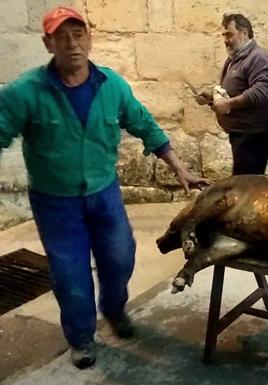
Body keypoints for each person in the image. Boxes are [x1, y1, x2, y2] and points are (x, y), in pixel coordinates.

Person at [0, 6, 206, 369]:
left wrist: (181, 169)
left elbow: (145, 125)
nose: (72, 43)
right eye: (62, 36)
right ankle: (80, 337)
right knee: (71, 274)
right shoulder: (25, 92)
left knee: (121, 256)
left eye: (78, 34)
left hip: (104, 193)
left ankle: (114, 310)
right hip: (55, 202)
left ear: (90, 38)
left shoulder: (113, 86)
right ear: (48, 43)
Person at [194, 13, 268, 175]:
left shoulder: (258, 58)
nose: (226, 39)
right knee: (244, 184)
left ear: (244, 33)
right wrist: (211, 97)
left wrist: (229, 104)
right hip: (242, 133)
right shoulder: (235, 58)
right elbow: (232, 92)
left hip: (254, 134)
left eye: (229, 34)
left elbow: (262, 92)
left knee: (246, 187)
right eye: (224, 35)